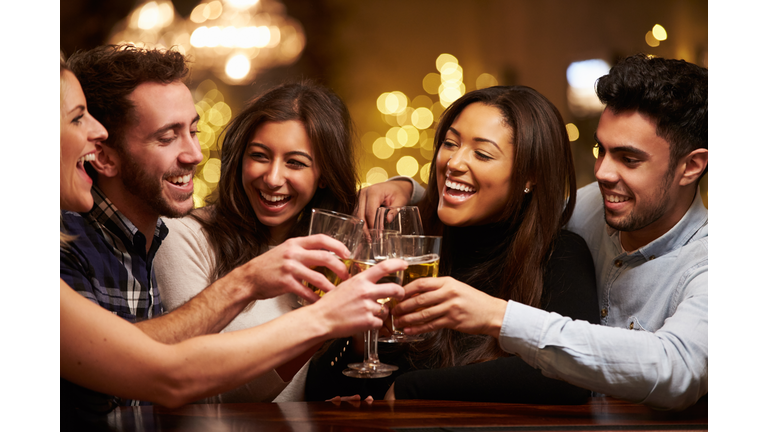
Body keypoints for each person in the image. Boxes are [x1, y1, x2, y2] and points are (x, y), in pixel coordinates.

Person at [60, 60, 405, 428]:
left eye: (193, 130)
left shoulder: (142, 239)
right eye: (77, 119)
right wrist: (270, 292)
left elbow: (145, 367)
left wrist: (403, 186)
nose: (194, 154)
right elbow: (169, 374)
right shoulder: (78, 243)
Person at [360, 54, 708, 410]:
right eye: (599, 150)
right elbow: (511, 202)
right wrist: (408, 193)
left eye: (629, 159)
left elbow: (676, 369)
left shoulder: (711, 264)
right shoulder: (594, 206)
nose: (602, 172)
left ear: (691, 166)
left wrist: (498, 316)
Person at [305, 86, 599, 404]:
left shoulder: (560, 255)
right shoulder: (408, 247)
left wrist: (413, 389)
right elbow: (321, 391)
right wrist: (362, 339)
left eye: (482, 153)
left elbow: (573, 376)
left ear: (530, 175)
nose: (454, 162)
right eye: (450, 143)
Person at [153, 81, 360, 403]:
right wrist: (316, 327)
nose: (273, 178)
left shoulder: (335, 250)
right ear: (239, 159)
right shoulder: (185, 236)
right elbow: (202, 396)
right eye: (260, 156)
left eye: (295, 162)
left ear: (324, 175)